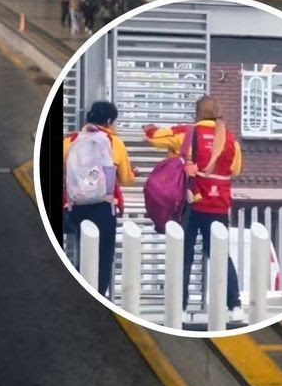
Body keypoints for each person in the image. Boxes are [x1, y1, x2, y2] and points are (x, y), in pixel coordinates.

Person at [144, 96, 245, 322]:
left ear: (197, 113)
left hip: (189, 206)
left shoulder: (187, 133)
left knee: (184, 256)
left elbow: (153, 137)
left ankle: (179, 309)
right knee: (220, 256)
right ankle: (235, 306)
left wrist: (148, 128)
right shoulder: (231, 140)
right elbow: (236, 169)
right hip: (218, 206)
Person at [63, 101, 136, 297]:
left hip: (76, 206)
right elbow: (127, 179)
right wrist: (131, 173)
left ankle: (76, 293)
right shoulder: (114, 142)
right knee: (103, 258)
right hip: (103, 208)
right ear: (109, 121)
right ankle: (96, 298)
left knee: (84, 253)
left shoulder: (71, 140)